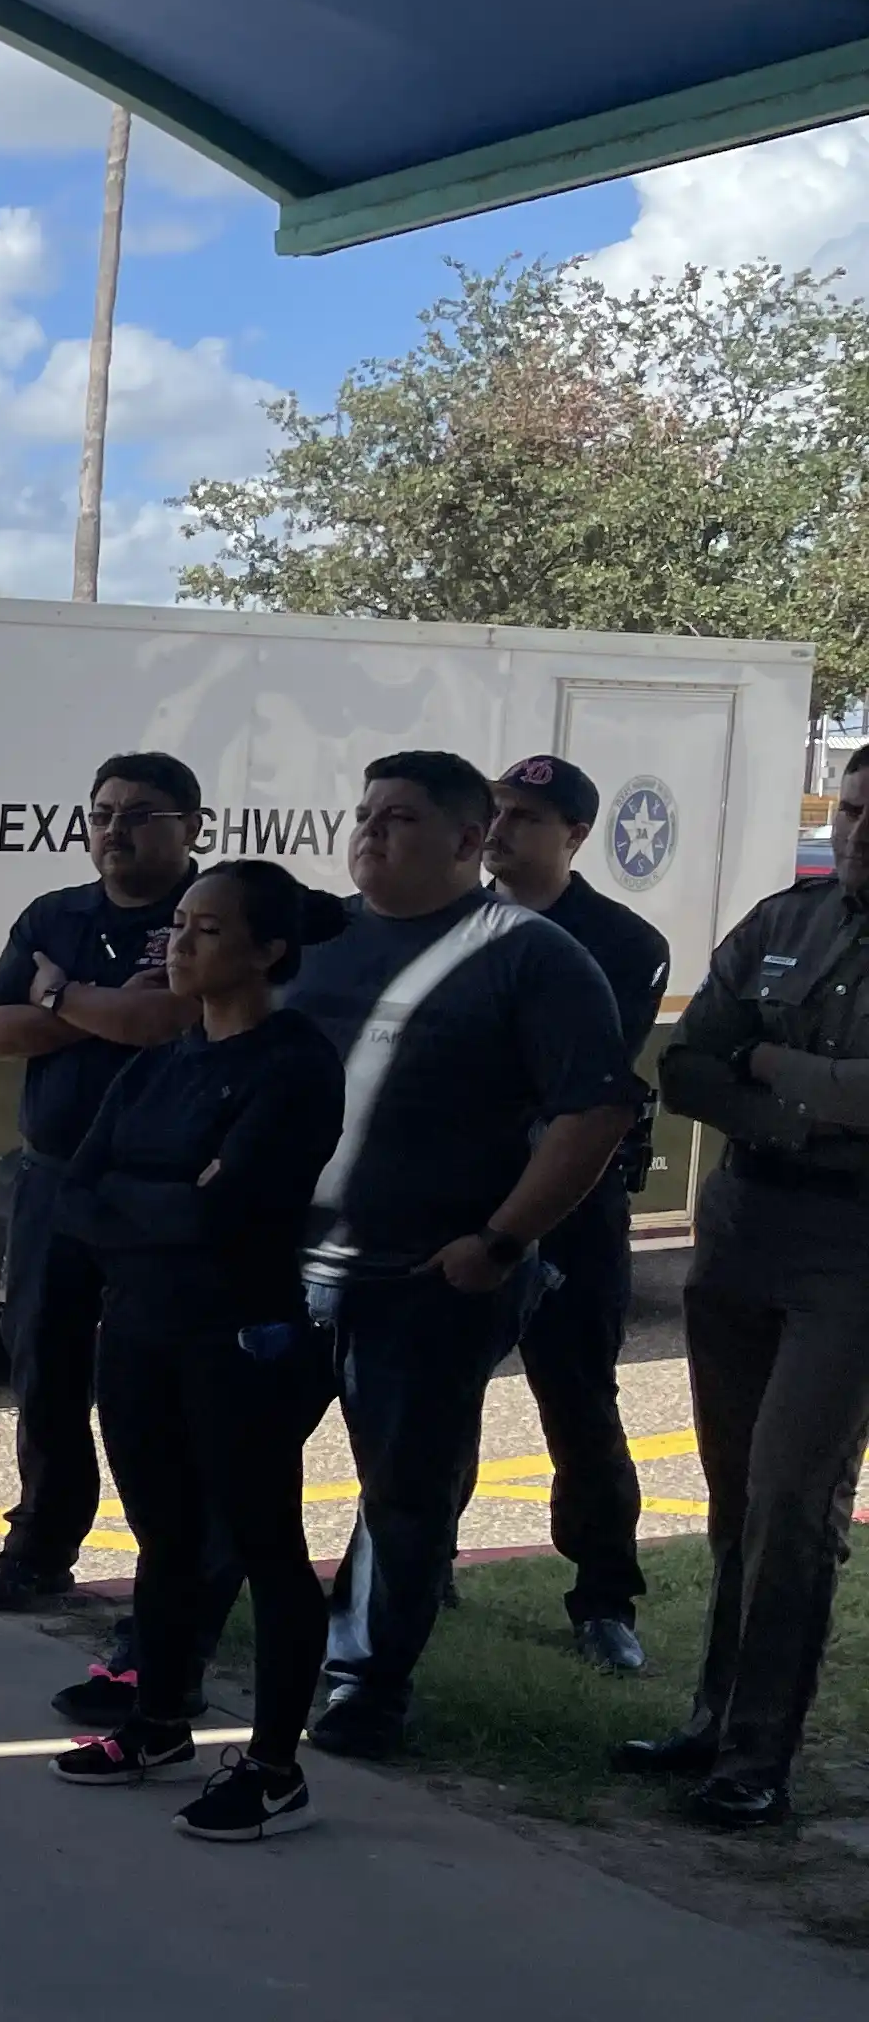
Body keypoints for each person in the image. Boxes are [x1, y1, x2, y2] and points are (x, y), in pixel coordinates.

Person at [282, 750, 635, 1757]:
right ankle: (166, 1643)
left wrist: (499, 1242)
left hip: (424, 1283)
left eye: (397, 818)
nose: (369, 833)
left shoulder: (530, 956)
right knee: (227, 1462)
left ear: (468, 840)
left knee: (404, 1493)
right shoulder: (318, 939)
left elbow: (594, 1109)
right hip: (285, 1268)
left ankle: (366, 1687)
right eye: (362, 813)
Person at [43, 861, 346, 1839]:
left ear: (268, 950)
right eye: (177, 925)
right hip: (138, 1332)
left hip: (239, 1339)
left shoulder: (295, 1062)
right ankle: (160, 1720)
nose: (178, 944)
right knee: (164, 1538)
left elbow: (236, 1211)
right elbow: (78, 1196)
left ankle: (273, 1767)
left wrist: (158, 1197)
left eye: (206, 931)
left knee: (265, 1546)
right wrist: (173, 1194)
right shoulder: (159, 1060)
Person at [625, 747, 869, 1825]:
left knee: (791, 1496)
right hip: (744, 1224)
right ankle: (712, 1720)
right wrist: (810, 1099)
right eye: (854, 811)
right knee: (733, 1495)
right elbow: (688, 1065)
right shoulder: (786, 920)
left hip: (853, 1244)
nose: (860, 832)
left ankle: (758, 1761)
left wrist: (774, 1070)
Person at [0, 753, 203, 1615]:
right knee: (45, 1365)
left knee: (158, 1382)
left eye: (140, 814)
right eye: (102, 813)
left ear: (192, 827)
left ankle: (176, 1562)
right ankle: (41, 1541)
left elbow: (162, 1020)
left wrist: (62, 995)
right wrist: (98, 1005)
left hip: (167, 1193)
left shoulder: (209, 916)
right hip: (57, 1180)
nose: (115, 830)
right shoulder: (54, 913)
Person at [483, 755, 668, 1672]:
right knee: (416, 1400)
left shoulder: (621, 941)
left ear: (576, 836)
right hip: (455, 1193)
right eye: (495, 811)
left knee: (579, 1404)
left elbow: (571, 1078)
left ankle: (604, 1599)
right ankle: (401, 1566)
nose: (501, 830)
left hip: (571, 1201)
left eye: (524, 816)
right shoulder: (449, 920)